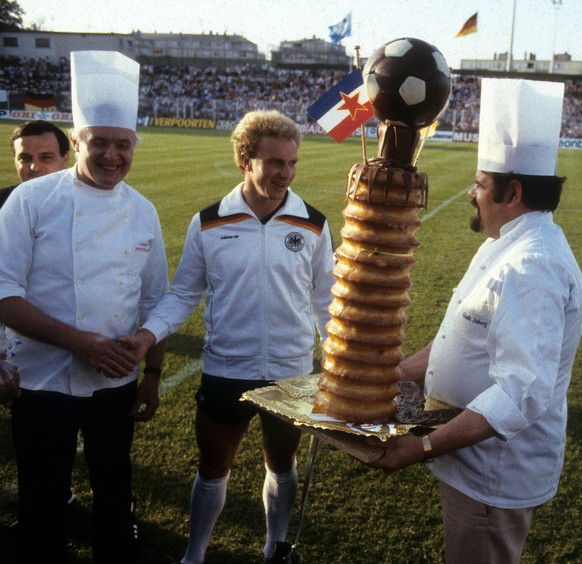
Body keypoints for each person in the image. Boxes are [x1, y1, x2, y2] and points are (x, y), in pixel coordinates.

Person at [367, 79, 582, 563]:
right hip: (471, 462)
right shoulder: (503, 244)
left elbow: (520, 394)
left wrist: (420, 449)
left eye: (481, 183)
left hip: (493, 475)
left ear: (513, 191)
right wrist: (395, 373)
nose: (471, 192)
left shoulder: (531, 267)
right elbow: (459, 338)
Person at [121, 110, 335, 564]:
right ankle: (194, 554)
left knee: (282, 463)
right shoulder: (209, 222)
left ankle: (274, 546)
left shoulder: (313, 223)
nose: (285, 173)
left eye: (292, 163)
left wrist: (337, 353)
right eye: (274, 162)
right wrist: (146, 336)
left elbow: (326, 299)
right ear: (245, 158)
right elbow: (182, 295)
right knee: (214, 467)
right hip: (225, 370)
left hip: (291, 373)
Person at [0, 50, 168, 564]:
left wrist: (153, 376)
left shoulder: (142, 211)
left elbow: (156, 300)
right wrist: (80, 342)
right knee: (42, 500)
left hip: (114, 387)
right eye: (100, 143)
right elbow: (4, 296)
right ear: (77, 142)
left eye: (123, 144)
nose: (112, 155)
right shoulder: (30, 202)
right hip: (42, 383)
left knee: (114, 490)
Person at [0, 120, 70, 208]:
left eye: (46, 158)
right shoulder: (2, 201)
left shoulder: (85, 203)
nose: (34, 167)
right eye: (25, 158)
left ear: (65, 159)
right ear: (14, 160)